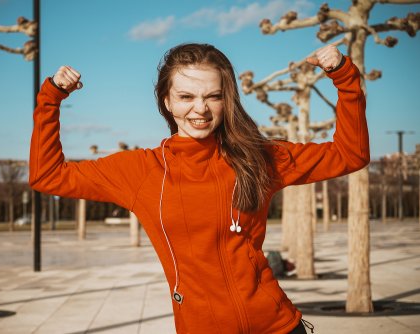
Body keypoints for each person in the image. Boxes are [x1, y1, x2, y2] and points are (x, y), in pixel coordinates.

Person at [29, 43, 369, 333]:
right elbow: (46, 175)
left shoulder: (258, 158)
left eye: (213, 96)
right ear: (167, 101)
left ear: (227, 99)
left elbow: (350, 154)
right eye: (186, 96)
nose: (201, 109)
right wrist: (51, 99)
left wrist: (344, 77)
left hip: (277, 325)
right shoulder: (141, 171)